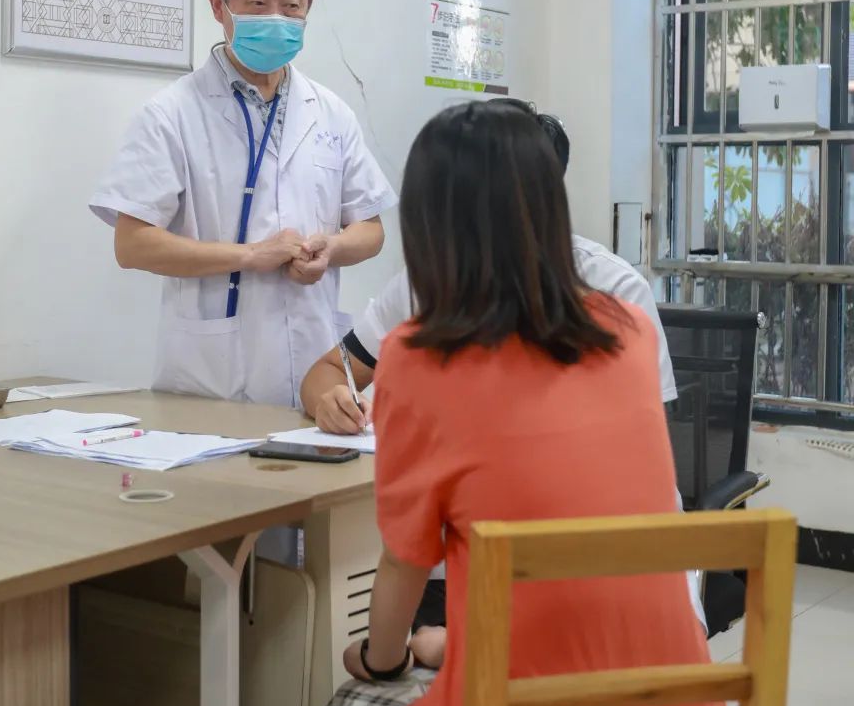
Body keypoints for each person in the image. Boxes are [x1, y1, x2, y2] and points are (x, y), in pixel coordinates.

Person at [307, 100, 730, 706]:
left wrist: (385, 657)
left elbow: (400, 574)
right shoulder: (624, 330)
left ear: (429, 225)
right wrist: (439, 650)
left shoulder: (418, 359)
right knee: (437, 668)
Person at [299, 107, 699, 668]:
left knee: (356, 705)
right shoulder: (620, 327)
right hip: (663, 673)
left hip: (528, 676)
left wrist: (421, 652)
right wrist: (324, 397)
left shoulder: (420, 358)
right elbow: (329, 368)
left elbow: (408, 563)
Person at [89, 0, 397, 407]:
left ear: (309, 7)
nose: (276, 18)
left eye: (291, 6)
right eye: (257, 3)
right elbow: (132, 245)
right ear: (219, 6)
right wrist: (247, 256)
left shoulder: (332, 112)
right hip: (210, 383)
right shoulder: (172, 113)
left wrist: (331, 248)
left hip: (317, 384)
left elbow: (371, 230)